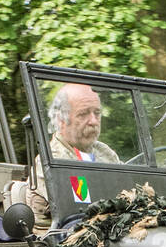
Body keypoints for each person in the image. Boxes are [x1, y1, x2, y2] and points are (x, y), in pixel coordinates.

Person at [25, 83, 121, 220]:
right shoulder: (54, 159)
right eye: (83, 114)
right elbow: (82, 204)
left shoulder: (104, 152)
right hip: (67, 234)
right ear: (61, 120)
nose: (93, 121)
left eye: (97, 113)